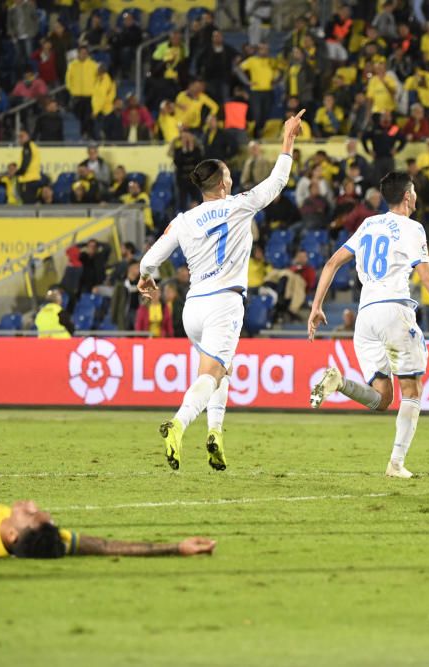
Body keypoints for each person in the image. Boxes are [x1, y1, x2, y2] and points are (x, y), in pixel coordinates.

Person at [137, 110, 307, 472]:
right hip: (224, 303)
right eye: (229, 176)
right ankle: (178, 424)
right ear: (224, 184)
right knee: (212, 374)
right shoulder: (238, 206)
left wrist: (146, 277)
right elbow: (276, 183)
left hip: (192, 307)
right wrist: (288, 139)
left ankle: (215, 433)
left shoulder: (183, 220)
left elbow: (151, 258)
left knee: (220, 369)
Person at [307, 171, 429, 478]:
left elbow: (332, 262)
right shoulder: (412, 228)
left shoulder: (368, 224)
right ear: (407, 196)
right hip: (394, 312)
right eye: (413, 192)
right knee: (412, 389)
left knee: (383, 399)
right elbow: (426, 276)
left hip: (366, 318)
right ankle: (396, 464)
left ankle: (339, 383)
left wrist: (317, 305)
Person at [0, 420, 216, 564]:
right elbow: (105, 546)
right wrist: (175, 547)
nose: (30, 503)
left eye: (29, 512)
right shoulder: (44, 537)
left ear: (13, 534)